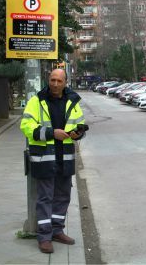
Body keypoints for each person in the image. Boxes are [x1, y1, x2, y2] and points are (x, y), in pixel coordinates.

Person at [20, 69, 86, 254]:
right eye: (52, 80)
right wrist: (51, 133)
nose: (55, 84)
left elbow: (79, 124)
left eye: (59, 80)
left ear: (65, 82)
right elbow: (26, 127)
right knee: (45, 198)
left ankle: (57, 230)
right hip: (44, 157)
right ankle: (44, 236)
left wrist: (78, 132)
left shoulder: (72, 101)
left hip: (65, 157)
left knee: (63, 196)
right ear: (48, 80)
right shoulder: (36, 101)